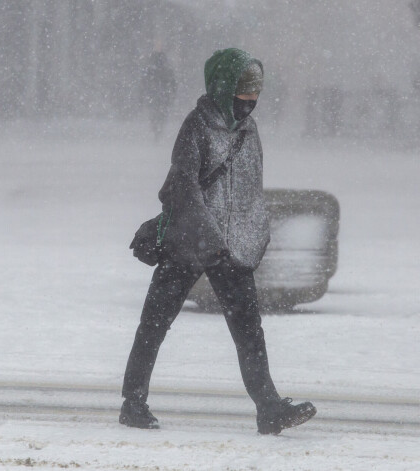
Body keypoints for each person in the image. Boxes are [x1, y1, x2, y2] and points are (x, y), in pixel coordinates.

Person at [120, 48, 317, 435]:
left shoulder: (249, 130)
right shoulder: (196, 126)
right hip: (187, 243)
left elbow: (249, 189)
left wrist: (252, 234)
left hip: (230, 248)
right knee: (155, 323)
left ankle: (269, 408)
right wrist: (209, 235)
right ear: (223, 86)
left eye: (255, 91)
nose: (250, 100)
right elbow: (183, 189)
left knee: (249, 330)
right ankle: (133, 402)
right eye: (243, 91)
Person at [141, 51, 178, 141]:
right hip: (163, 97)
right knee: (161, 115)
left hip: (154, 97)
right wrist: (172, 94)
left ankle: (156, 131)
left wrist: (143, 95)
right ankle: (158, 131)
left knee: (155, 115)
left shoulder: (150, 70)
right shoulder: (167, 70)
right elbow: (173, 84)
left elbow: (144, 83)